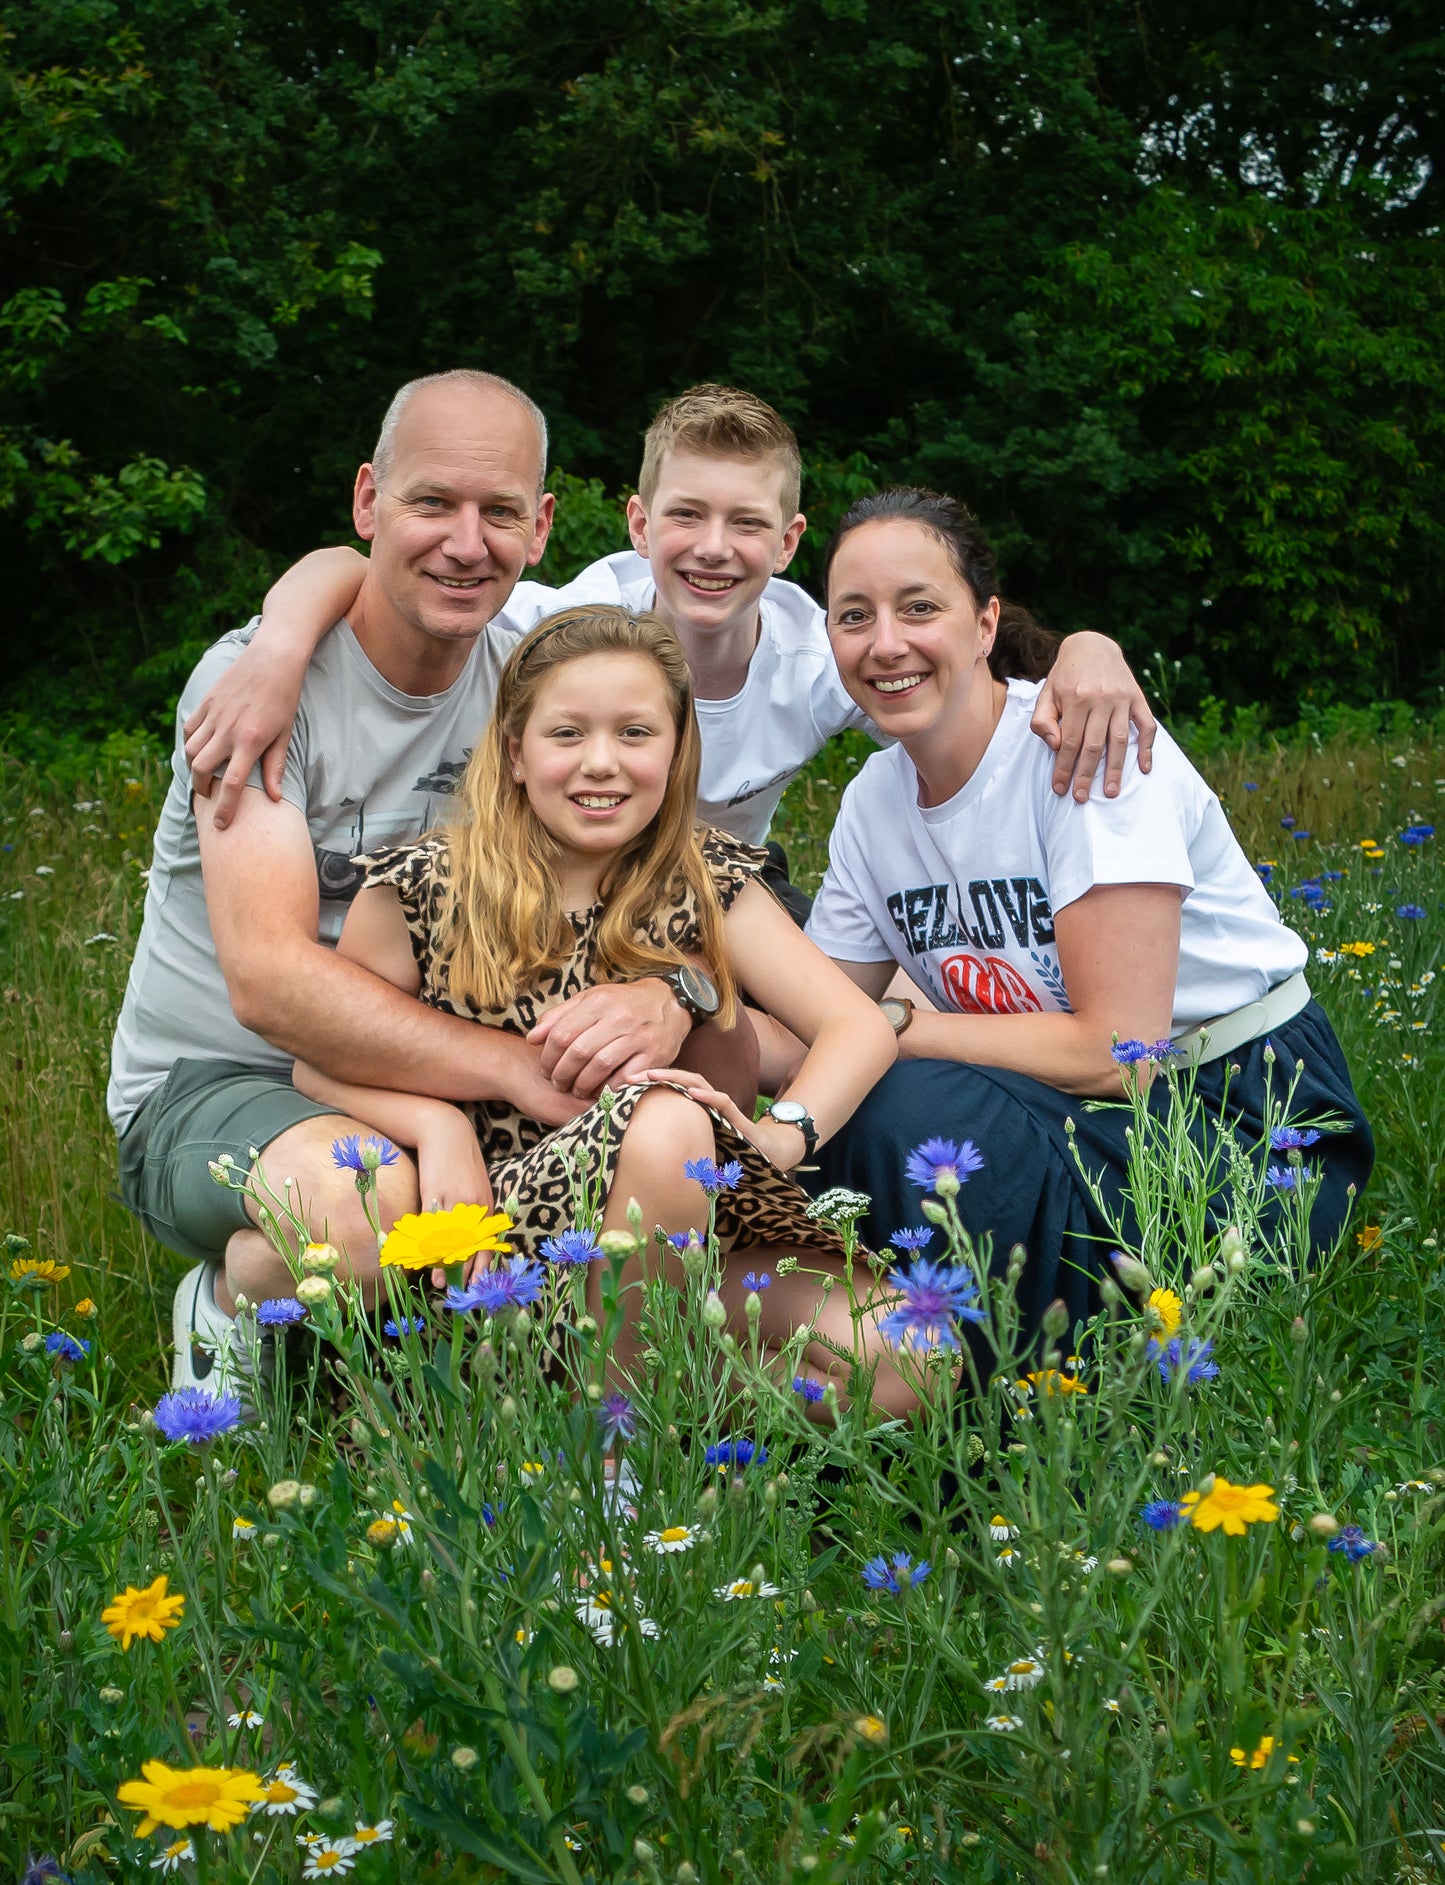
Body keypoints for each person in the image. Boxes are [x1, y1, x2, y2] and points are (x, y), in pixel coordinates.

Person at [109, 370, 738, 1392]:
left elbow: (668, 875)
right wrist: (491, 1078)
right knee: (366, 1202)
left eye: (497, 512)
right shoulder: (261, 688)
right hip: (219, 1084)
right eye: (430, 501)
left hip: (439, 1078)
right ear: (367, 503)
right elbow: (269, 984)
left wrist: (669, 993)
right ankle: (228, 1302)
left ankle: (573, 1434)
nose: (464, 540)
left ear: (539, 530)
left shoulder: (527, 691)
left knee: (666, 1133)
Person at [183, 386, 1159, 913]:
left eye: (745, 523)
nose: (710, 547)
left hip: (723, 884)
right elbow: (358, 573)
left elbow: (965, 684)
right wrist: (274, 649)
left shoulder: (816, 657)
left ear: (784, 546)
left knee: (816, 999)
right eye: (684, 514)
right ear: (638, 523)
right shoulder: (561, 622)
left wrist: (1086, 648)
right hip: (565, 881)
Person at [292, 603, 905, 1403]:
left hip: (689, 1233)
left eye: (635, 733)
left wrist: (780, 1140)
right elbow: (317, 1061)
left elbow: (857, 1025)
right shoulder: (422, 887)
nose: (601, 763)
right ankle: (613, 1460)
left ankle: (658, 1423)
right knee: (669, 1118)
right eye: (567, 734)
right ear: (515, 752)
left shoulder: (706, 877)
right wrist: (432, 1124)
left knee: (906, 1351)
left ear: (678, 748)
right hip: (503, 1239)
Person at [800, 487, 1374, 1337]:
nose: (886, 643)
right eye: (854, 616)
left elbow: (1120, 1054)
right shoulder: (870, 802)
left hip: (1246, 1116)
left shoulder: (1084, 746)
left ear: (985, 623)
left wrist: (884, 1027)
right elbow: (810, 1018)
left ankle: (991, 1381)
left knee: (898, 1100)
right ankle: (883, 1357)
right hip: (1073, 1106)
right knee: (827, 1114)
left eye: (919, 607)